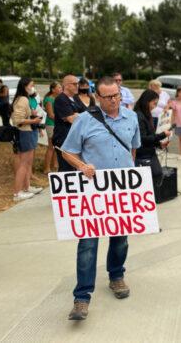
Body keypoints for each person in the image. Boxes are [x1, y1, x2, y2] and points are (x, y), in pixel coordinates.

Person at [61, 76, 141, 321]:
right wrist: (82, 166)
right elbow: (67, 152)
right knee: (87, 245)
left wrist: (131, 173)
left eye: (117, 95)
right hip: (93, 193)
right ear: (98, 97)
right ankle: (82, 297)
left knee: (121, 240)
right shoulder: (85, 120)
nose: (114, 100)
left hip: (121, 191)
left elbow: (133, 148)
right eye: (108, 97)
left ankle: (116, 276)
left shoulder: (132, 117)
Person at [10, 77, 42, 201]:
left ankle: (27, 187)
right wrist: (34, 120)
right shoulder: (22, 99)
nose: (33, 88)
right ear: (25, 86)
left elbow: (22, 115)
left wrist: (32, 114)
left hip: (29, 132)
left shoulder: (24, 98)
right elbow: (17, 120)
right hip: (25, 133)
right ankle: (17, 193)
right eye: (31, 85)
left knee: (28, 163)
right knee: (24, 164)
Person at [133, 89, 171, 175]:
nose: (155, 107)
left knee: (157, 176)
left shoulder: (146, 114)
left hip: (149, 153)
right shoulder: (139, 116)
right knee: (155, 178)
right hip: (143, 156)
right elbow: (143, 138)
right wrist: (162, 135)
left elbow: (149, 136)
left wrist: (159, 145)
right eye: (154, 103)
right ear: (146, 101)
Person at [52, 75, 81, 172]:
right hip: (63, 139)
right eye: (74, 84)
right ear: (66, 85)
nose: (77, 86)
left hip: (74, 139)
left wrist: (78, 115)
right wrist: (77, 115)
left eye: (78, 84)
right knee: (66, 169)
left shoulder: (75, 98)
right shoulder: (61, 99)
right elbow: (71, 119)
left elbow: (87, 113)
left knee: (74, 168)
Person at [43, 81, 62, 174]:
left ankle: (55, 165)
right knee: (51, 146)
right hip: (51, 125)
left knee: (57, 146)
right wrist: (63, 118)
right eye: (58, 87)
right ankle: (46, 168)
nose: (60, 89)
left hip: (57, 124)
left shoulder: (57, 98)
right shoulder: (49, 99)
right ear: (53, 89)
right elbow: (50, 115)